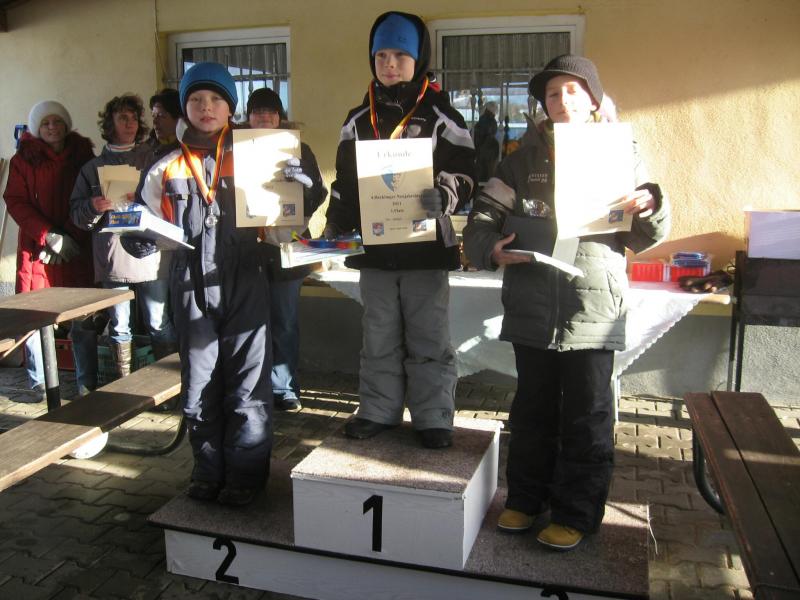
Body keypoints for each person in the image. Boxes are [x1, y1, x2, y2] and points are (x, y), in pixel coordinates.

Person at [463, 55, 670, 551]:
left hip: (593, 311)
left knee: (587, 416)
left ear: (593, 99)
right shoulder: (518, 162)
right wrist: (490, 248)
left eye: (573, 91)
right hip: (532, 307)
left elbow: (647, 235)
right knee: (531, 412)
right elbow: (481, 220)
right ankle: (525, 498)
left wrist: (650, 205)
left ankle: (576, 513)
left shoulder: (622, 156)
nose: (562, 101)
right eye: (553, 93)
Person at [322, 11, 476, 449]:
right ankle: (377, 410)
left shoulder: (442, 115)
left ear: (418, 59)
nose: (390, 64)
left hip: (425, 250)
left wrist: (445, 193)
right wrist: (334, 225)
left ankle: (433, 416)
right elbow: (345, 182)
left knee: (429, 336)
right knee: (379, 336)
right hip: (374, 251)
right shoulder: (357, 120)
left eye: (400, 56)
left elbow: (468, 172)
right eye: (382, 56)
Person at [133, 62, 273, 506]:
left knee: (248, 386)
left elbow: (285, 226)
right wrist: (138, 238)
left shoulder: (256, 157)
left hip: (245, 277)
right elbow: (144, 219)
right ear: (185, 108)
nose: (206, 107)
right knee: (198, 386)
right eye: (196, 99)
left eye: (216, 99)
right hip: (189, 282)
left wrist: (296, 193)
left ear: (231, 108)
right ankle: (208, 471)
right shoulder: (165, 165)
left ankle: (245, 478)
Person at [70, 94, 177, 380]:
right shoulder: (92, 169)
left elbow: (172, 203)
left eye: (133, 118)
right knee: (119, 327)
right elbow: (76, 214)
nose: (130, 123)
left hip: (151, 254)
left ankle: (169, 386)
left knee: (159, 322)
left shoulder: (155, 160)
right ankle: (124, 389)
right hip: (113, 257)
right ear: (110, 124)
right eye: (122, 118)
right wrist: (93, 207)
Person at [3, 100, 97, 400]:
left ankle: (86, 382)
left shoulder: (83, 156)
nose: (52, 127)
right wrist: (49, 236)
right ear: (36, 128)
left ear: (66, 124)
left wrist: (68, 237)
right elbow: (16, 201)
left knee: (82, 316)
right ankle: (39, 382)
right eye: (45, 123)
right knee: (35, 315)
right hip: (37, 250)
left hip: (76, 246)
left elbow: (91, 198)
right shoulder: (22, 160)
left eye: (57, 121)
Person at [246, 87, 327, 412]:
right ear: (248, 117)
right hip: (249, 248)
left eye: (270, 111)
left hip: (288, 246)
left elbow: (318, 195)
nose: (264, 117)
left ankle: (284, 388)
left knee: (285, 321)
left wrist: (308, 184)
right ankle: (253, 387)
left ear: (280, 116)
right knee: (249, 323)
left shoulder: (299, 148)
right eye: (257, 111)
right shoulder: (236, 149)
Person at [473, 101, 500, 182]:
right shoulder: (492, 122)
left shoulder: (483, 121)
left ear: (486, 109)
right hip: (488, 153)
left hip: (482, 152)